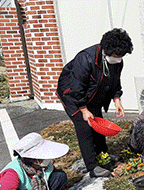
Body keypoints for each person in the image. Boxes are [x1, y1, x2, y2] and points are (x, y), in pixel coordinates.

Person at [56, 28, 133, 177]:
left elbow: (115, 82)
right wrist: (84, 110)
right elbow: (76, 87)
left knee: (98, 123)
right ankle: (92, 167)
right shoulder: (86, 59)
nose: (119, 59)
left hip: (93, 95)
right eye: (117, 55)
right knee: (85, 128)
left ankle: (103, 156)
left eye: (121, 56)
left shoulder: (116, 62)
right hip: (72, 96)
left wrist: (117, 100)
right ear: (106, 50)